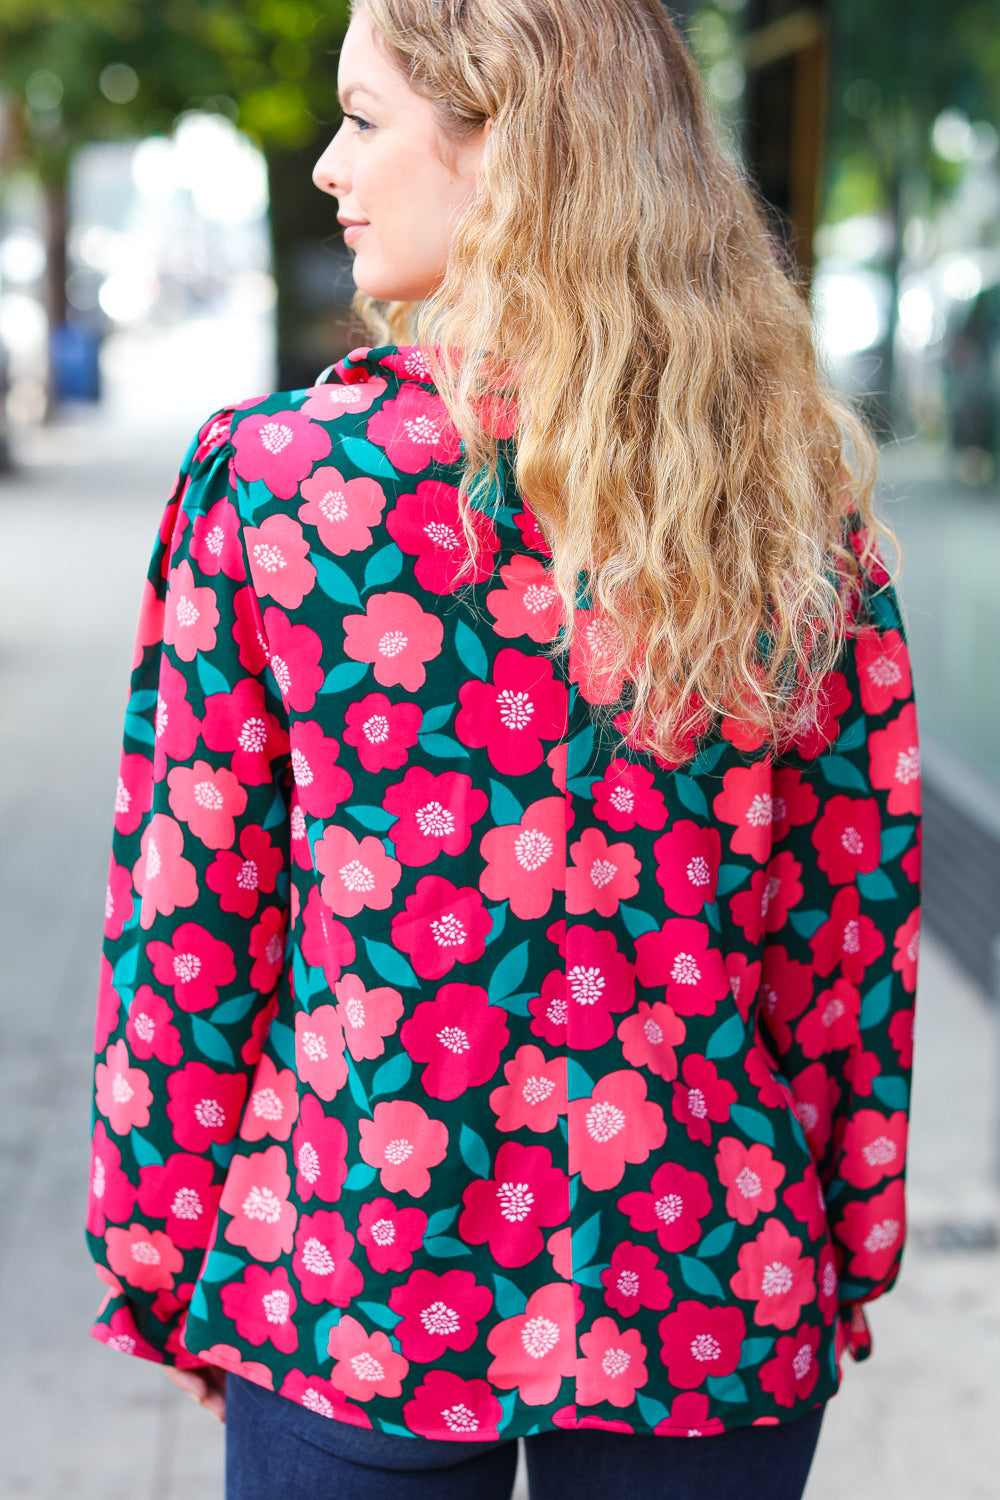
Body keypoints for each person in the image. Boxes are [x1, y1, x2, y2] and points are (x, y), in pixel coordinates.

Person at [85, 3, 921, 1497]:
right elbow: (846, 930)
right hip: (706, 1278)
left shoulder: (280, 493)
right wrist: (846, 1243)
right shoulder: (791, 506)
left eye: (364, 116)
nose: (333, 170)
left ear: (507, 150)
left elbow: (189, 926)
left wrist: (163, 1252)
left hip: (359, 1276)